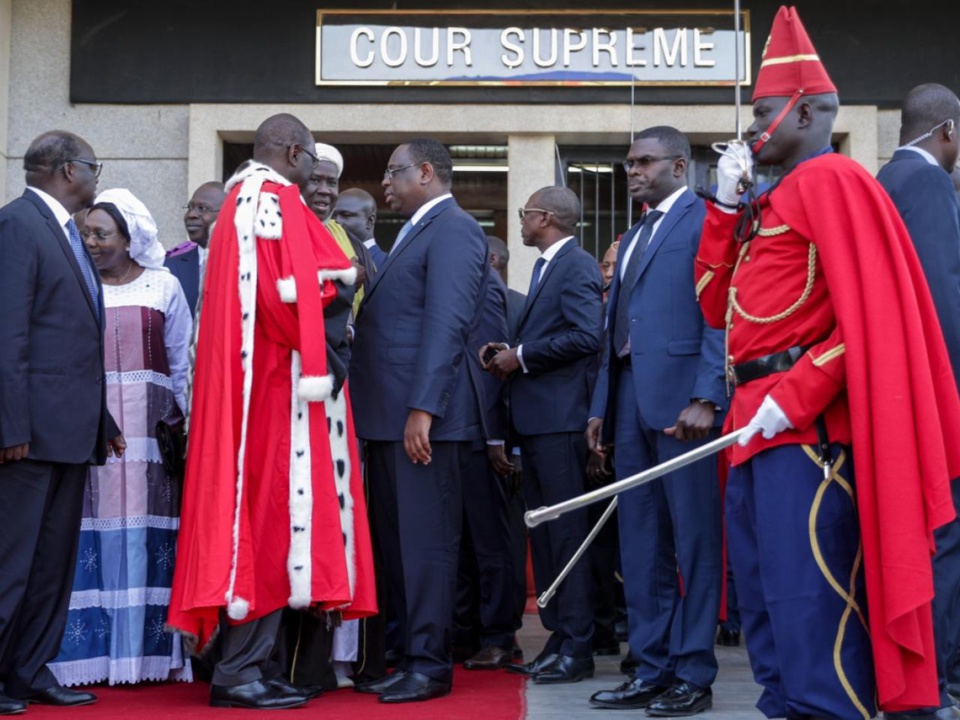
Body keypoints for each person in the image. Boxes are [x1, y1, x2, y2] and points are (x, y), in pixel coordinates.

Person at [695, 7, 960, 718]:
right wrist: (724, 207)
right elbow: (715, 306)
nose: (753, 128)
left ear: (807, 112)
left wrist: (795, 394)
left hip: (804, 434)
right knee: (765, 610)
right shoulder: (769, 199)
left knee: (812, 609)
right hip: (750, 427)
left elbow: (873, 319)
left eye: (763, 113)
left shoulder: (836, 180)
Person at [166, 113, 376, 710]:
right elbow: (292, 298)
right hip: (272, 397)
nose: (317, 175)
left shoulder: (240, 203)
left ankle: (254, 665)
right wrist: (346, 283)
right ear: (294, 153)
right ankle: (239, 673)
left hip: (251, 389)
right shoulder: (271, 202)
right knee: (263, 526)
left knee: (262, 525)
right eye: (313, 160)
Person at [586, 127, 726, 716]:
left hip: (683, 410)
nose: (632, 171)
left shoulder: (706, 220)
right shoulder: (635, 233)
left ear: (680, 166)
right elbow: (615, 327)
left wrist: (708, 394)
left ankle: (693, 673)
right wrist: (601, 405)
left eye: (644, 162)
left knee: (693, 544)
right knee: (641, 546)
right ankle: (651, 668)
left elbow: (720, 312)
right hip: (629, 407)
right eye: (628, 163)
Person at [349, 138, 488, 703]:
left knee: (426, 548)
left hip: (421, 422)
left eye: (393, 171)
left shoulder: (454, 228)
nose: (385, 182)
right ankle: (408, 656)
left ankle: (430, 666)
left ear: (426, 172)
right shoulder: (413, 230)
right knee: (397, 548)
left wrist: (423, 410)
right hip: (388, 418)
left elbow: (446, 325)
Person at [0, 130, 125, 713]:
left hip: (70, 432)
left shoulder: (67, 232)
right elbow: (8, 336)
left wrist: (101, 419)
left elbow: (69, 341)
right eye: (95, 166)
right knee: (12, 562)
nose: (97, 177)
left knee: (52, 564)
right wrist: (10, 427)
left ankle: (28, 670)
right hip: (27, 438)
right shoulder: (18, 225)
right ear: (69, 170)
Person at [50, 188, 194, 687]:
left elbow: (182, 363)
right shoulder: (76, 283)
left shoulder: (164, 285)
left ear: (130, 239)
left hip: (151, 440)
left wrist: (191, 425)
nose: (91, 241)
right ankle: (86, 656)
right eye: (86, 233)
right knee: (88, 531)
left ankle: (144, 657)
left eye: (102, 234)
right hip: (90, 433)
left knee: (145, 538)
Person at [482, 186, 603, 685]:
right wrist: (510, 349)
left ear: (545, 218)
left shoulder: (575, 265)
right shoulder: (547, 266)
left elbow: (587, 335)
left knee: (566, 535)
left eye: (525, 214)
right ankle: (560, 637)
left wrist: (523, 356)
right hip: (538, 422)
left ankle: (578, 647)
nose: (521, 221)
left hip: (560, 423)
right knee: (548, 536)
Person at [877, 83, 960, 718]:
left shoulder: (886, 178)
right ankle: (942, 675)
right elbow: (943, 296)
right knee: (947, 535)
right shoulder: (929, 182)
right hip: (938, 392)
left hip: (897, 389)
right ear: (948, 130)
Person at [165, 181, 226, 316]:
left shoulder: (247, 266)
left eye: (202, 208)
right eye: (190, 207)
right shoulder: (168, 269)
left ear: (227, 213)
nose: (191, 215)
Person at [334, 188, 384, 271]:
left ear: (370, 221)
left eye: (346, 215)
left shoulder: (387, 264)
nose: (336, 221)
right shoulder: (330, 262)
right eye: (333, 216)